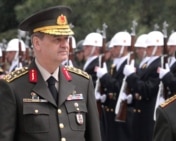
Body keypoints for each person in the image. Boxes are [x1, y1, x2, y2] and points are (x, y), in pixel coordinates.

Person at [0, 5, 101, 141]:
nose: (65, 45)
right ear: (37, 43)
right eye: (57, 39)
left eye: (66, 39)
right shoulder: (13, 87)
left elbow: (94, 136)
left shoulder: (83, 82)